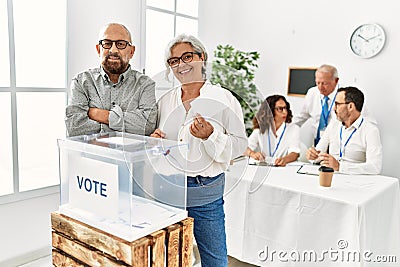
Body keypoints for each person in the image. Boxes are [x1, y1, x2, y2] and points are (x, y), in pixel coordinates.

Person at [150, 34, 247, 267]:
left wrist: (210, 136)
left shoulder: (224, 98)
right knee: (169, 256)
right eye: (174, 61)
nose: (181, 65)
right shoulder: (165, 101)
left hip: (206, 188)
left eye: (187, 57)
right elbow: (160, 144)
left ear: (202, 58)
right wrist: (154, 141)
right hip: (169, 184)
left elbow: (240, 146)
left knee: (214, 259)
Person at [65, 23, 157, 137]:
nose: (113, 50)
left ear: (132, 51)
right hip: (93, 155)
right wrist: (123, 129)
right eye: (107, 44)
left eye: (121, 44)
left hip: (132, 155)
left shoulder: (145, 84)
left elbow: (147, 126)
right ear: (99, 49)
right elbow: (75, 128)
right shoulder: (81, 81)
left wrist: (100, 115)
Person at [306, 86, 382, 174]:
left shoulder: (370, 130)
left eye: (337, 104)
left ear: (350, 106)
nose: (334, 108)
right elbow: (318, 154)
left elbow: (375, 167)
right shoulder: (333, 124)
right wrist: (313, 156)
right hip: (330, 178)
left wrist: (340, 167)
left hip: (355, 182)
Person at [245, 95, 300, 166]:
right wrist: (253, 154)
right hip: (265, 169)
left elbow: (295, 153)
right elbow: (245, 147)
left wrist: (284, 160)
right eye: (280, 109)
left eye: (285, 108)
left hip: (283, 169)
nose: (285, 112)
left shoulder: (294, 129)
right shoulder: (260, 129)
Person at [292, 64, 340, 146]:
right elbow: (301, 116)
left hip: (336, 142)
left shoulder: (344, 95)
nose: (320, 87)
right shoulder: (312, 92)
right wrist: (283, 127)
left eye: (325, 83)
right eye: (318, 83)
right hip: (317, 141)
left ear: (336, 81)